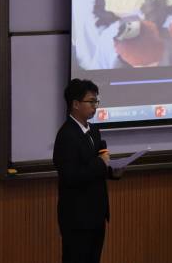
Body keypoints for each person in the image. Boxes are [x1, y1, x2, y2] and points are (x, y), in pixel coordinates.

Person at [53, 79, 120, 263]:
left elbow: (97, 167)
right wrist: (100, 163)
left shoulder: (94, 131)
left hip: (96, 214)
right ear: (75, 104)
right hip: (77, 218)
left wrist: (113, 172)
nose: (95, 106)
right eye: (91, 101)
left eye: (96, 101)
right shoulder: (66, 135)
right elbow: (70, 175)